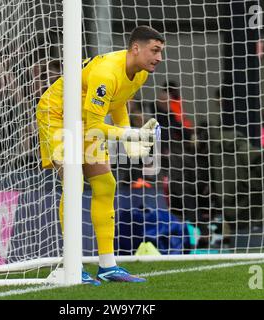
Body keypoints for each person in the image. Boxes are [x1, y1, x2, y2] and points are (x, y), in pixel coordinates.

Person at [36, 26, 165, 285]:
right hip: (58, 115)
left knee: (106, 184)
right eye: (155, 50)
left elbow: (118, 105)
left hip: (85, 118)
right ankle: (72, 264)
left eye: (161, 52)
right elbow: (97, 126)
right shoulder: (108, 72)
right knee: (73, 183)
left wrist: (129, 136)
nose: (159, 57)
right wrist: (133, 136)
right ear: (135, 48)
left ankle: (107, 266)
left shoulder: (140, 74)